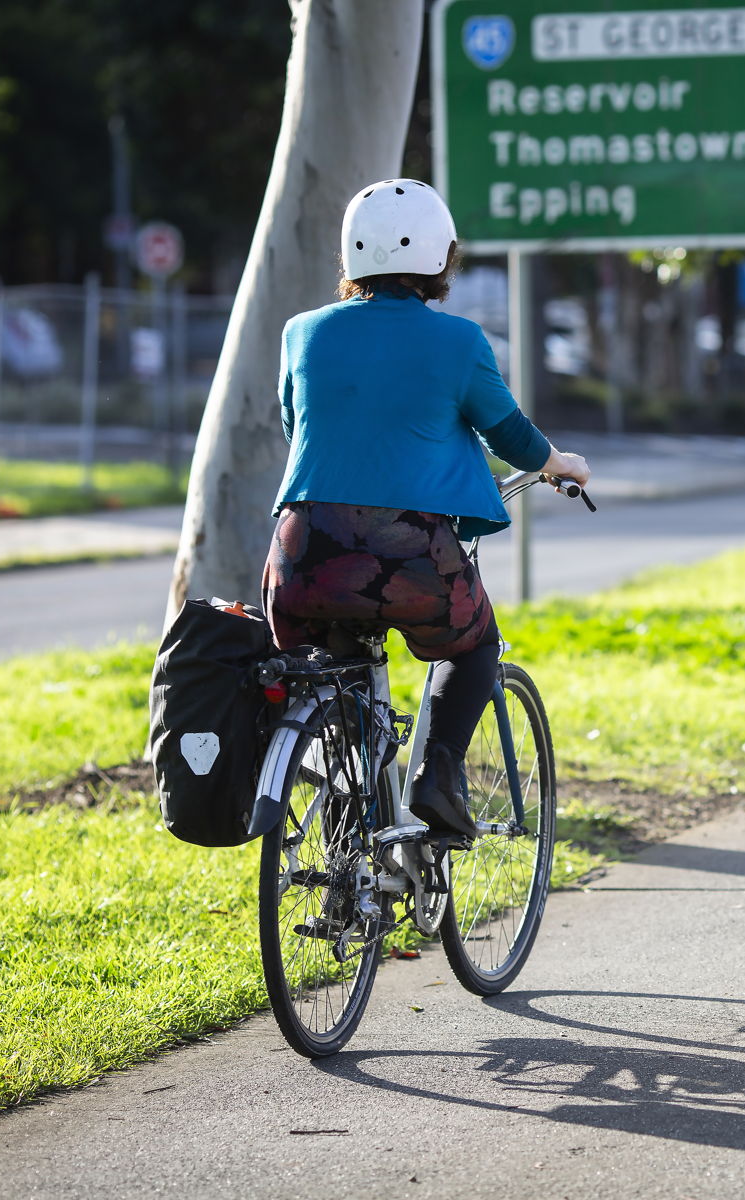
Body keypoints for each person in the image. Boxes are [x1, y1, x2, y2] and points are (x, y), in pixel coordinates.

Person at [263, 178, 588, 842]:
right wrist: (560, 463)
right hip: (411, 555)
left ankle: (342, 827)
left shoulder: (302, 333)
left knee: (337, 673)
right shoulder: (459, 341)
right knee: (474, 647)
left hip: (300, 556)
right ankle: (436, 777)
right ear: (441, 257)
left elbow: (295, 424)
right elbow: (510, 436)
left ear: (353, 257)